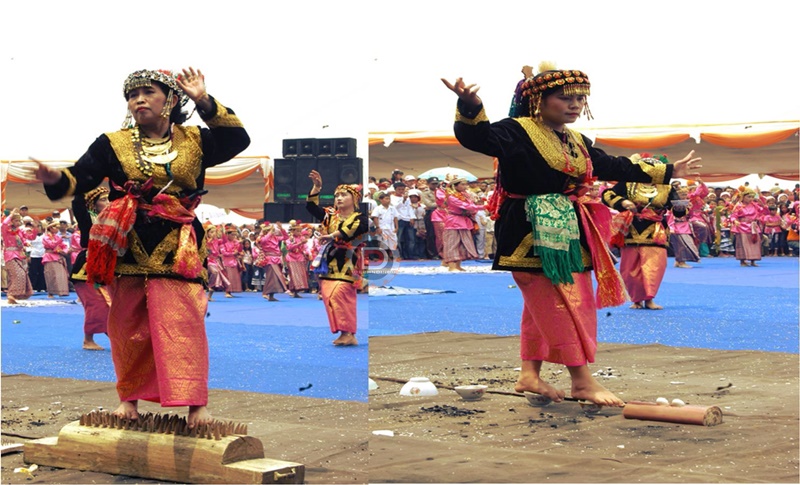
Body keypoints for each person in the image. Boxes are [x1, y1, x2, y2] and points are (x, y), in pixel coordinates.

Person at [442, 62, 701, 407]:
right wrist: (470, 104)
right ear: (539, 100)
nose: (575, 105)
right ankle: (581, 381)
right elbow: (477, 137)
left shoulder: (576, 140)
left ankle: (529, 374)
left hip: (569, 228)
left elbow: (611, 165)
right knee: (563, 303)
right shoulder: (516, 130)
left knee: (542, 305)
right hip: (529, 231)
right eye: (566, 98)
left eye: (580, 98)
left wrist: (669, 170)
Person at [34, 67, 250, 428]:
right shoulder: (112, 143)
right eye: (132, 95)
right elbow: (80, 177)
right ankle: (128, 400)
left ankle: (195, 404)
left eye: (148, 92)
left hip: (179, 243)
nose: (138, 100)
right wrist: (56, 178)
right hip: (128, 242)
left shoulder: (195, 140)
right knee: (127, 322)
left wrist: (203, 99)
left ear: (170, 100)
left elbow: (237, 140)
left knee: (183, 322)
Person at [603, 154, 677, 309]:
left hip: (655, 231)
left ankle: (649, 298)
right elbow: (607, 194)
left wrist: (681, 208)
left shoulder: (667, 187)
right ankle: (636, 299)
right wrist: (623, 202)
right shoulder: (628, 183)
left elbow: (677, 208)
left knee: (655, 266)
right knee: (630, 268)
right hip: (631, 229)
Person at [307, 170, 368, 346]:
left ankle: (350, 332)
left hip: (348, 262)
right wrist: (316, 188)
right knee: (328, 296)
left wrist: (332, 235)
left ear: (354, 199)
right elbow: (311, 207)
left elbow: (353, 230)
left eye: (344, 195)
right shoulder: (330, 216)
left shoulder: (360, 218)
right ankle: (344, 333)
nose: (339, 198)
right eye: (337, 195)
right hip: (329, 262)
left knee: (340, 294)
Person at [70, 187, 112, 350]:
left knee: (111, 305)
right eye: (103, 199)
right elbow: (78, 206)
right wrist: (82, 184)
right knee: (97, 304)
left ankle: (115, 337)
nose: (108, 202)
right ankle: (88, 340)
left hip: (106, 267)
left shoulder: (113, 220)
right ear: (93, 205)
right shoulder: (88, 219)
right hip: (85, 269)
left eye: (109, 199)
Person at [442, 177, 485, 271]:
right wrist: (483, 207)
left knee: (462, 243)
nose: (465, 186)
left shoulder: (466, 195)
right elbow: (466, 206)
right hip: (453, 221)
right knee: (452, 243)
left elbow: (471, 205)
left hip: (464, 220)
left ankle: (458, 265)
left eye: (466, 184)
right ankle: (451, 266)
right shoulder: (451, 197)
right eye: (462, 184)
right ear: (455, 186)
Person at [2, 209, 35, 303]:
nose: (18, 222)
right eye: (16, 220)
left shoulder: (20, 231)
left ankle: (17, 295)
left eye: (19, 221)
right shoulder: (6, 230)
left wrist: (27, 242)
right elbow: (4, 224)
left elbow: (28, 238)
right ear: (11, 221)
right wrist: (11, 215)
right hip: (10, 255)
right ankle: (11, 295)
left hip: (20, 254)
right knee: (17, 274)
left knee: (22, 274)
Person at [730, 187, 769, 266]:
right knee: (742, 243)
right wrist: (735, 221)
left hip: (753, 226)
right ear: (743, 197)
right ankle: (742, 261)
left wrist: (762, 204)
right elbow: (733, 215)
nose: (750, 199)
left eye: (752, 197)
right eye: (748, 197)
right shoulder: (739, 206)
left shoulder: (755, 205)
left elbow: (765, 212)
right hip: (742, 226)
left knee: (754, 243)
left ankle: (753, 261)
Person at [254, 222, 289, 301]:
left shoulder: (275, 238)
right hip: (269, 259)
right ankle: (266, 293)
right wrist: (270, 232)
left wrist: (281, 229)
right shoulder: (262, 238)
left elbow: (285, 237)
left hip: (276, 259)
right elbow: (264, 240)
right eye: (271, 231)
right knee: (271, 277)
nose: (273, 232)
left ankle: (271, 295)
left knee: (275, 277)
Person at [42, 220, 70, 297]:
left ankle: (62, 291)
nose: (57, 229)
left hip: (58, 256)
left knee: (61, 274)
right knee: (51, 275)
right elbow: (52, 245)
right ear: (50, 228)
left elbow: (64, 246)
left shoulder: (57, 237)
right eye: (56, 227)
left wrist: (64, 251)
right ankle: (51, 292)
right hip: (49, 257)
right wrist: (60, 239)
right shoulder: (46, 237)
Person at [285, 220, 310, 297]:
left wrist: (307, 253)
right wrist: (300, 243)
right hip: (291, 257)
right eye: (297, 231)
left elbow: (305, 247)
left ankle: (296, 291)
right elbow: (289, 247)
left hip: (300, 257)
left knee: (300, 274)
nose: (299, 232)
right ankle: (293, 290)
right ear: (293, 231)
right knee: (294, 275)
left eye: (300, 231)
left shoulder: (302, 238)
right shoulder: (290, 238)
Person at [219, 225, 243, 297]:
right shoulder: (223, 242)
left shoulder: (235, 242)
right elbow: (224, 253)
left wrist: (240, 245)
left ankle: (230, 291)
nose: (234, 236)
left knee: (233, 277)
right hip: (226, 262)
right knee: (228, 277)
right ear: (227, 234)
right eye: (232, 235)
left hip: (234, 261)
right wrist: (233, 253)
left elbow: (240, 250)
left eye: (234, 235)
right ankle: (227, 292)